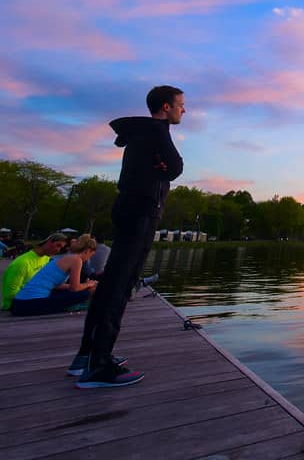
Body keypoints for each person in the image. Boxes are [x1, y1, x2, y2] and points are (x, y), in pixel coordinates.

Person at [72, 85, 185, 388]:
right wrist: (166, 168)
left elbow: (169, 167)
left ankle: (87, 355)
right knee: (121, 283)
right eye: (180, 105)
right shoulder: (157, 131)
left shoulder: (140, 134)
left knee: (111, 280)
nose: (183, 110)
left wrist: (164, 168)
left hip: (128, 208)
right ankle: (99, 365)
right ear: (165, 106)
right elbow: (175, 167)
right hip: (142, 211)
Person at [10, 234, 99, 316]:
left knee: (80, 291)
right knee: (87, 293)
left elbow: (57, 285)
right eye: (92, 255)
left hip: (18, 304)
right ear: (87, 251)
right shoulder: (77, 260)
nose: (89, 258)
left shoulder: (64, 257)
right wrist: (89, 284)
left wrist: (84, 286)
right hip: (30, 304)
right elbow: (74, 288)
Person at [0, 232, 68, 310]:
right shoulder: (22, 263)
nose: (58, 250)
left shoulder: (45, 259)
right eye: (58, 245)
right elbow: (9, 294)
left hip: (38, 295)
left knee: (76, 294)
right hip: (17, 304)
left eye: (61, 248)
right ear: (49, 242)